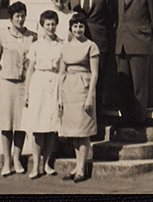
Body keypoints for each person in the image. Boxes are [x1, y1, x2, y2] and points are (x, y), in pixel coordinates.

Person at [0, 1, 36, 176]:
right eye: (17, 16)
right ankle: (6, 162)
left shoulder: (32, 36)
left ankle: (17, 159)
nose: (20, 19)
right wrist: (4, 74)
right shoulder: (2, 36)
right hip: (7, 85)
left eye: (23, 15)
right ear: (10, 18)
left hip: (25, 84)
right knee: (7, 123)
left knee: (21, 123)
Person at [57, 12, 99, 183]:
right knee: (74, 132)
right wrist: (60, 96)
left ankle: (82, 167)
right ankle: (77, 165)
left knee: (83, 131)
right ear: (71, 28)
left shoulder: (91, 46)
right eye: (75, 26)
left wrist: (90, 96)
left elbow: (95, 72)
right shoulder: (65, 47)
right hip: (69, 90)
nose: (78, 29)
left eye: (81, 26)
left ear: (84, 28)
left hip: (84, 88)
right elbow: (61, 72)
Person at [22, 10, 63, 179]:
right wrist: (27, 92)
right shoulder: (36, 45)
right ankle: (36, 166)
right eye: (47, 24)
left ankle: (47, 164)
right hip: (38, 83)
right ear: (42, 25)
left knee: (52, 126)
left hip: (55, 82)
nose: (51, 27)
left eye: (53, 24)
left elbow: (62, 69)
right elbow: (30, 68)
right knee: (38, 126)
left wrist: (61, 94)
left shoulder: (61, 44)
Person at [68, 0, 116, 108]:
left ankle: (97, 118)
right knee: (80, 77)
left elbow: (112, 17)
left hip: (99, 41)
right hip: (78, 41)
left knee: (98, 78)